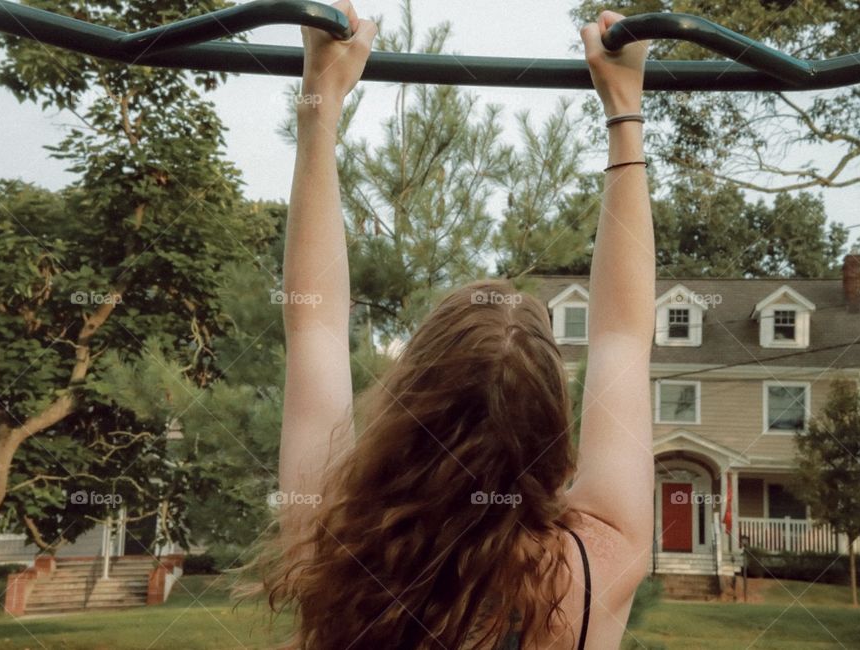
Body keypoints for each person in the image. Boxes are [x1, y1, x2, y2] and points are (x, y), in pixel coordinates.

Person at [264, 2, 654, 647]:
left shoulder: (335, 544)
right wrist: (624, 109)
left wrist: (320, 99)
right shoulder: (593, 567)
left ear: (406, 400)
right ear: (551, 430)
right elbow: (622, 337)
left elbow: (315, 327)